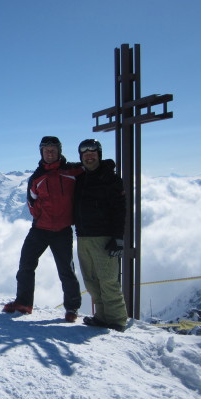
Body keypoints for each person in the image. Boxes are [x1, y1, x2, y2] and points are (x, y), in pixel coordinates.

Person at [3, 136, 83, 322]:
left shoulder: (73, 171)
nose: (50, 153)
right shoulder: (37, 177)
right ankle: (23, 303)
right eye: (46, 150)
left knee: (66, 270)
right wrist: (39, 216)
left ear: (59, 151)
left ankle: (72, 309)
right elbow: (31, 201)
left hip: (62, 230)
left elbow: (91, 168)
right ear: (41, 152)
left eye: (53, 150)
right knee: (26, 265)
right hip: (40, 228)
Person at [73, 139, 128, 332]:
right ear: (81, 157)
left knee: (108, 280)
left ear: (99, 154)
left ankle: (118, 321)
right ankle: (102, 317)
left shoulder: (110, 178)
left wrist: (118, 238)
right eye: (85, 154)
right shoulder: (80, 178)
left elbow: (120, 210)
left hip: (104, 237)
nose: (89, 156)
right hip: (83, 237)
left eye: (93, 153)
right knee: (91, 281)